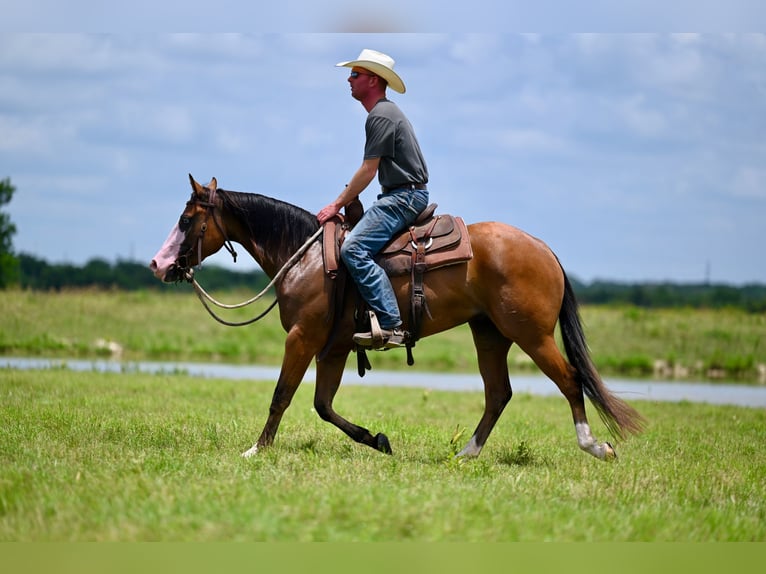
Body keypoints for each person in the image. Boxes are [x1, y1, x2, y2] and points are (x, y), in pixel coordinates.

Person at [317, 48, 429, 350]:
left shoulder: (381, 115)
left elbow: (368, 170)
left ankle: (391, 324)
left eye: (355, 74)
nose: (349, 79)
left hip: (403, 197)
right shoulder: (384, 113)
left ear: (373, 80)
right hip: (401, 193)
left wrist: (336, 205)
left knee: (353, 249)